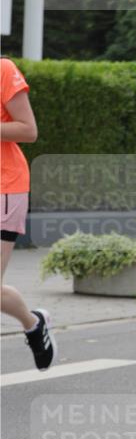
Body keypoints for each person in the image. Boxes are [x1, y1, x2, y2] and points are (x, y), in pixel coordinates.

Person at [0, 57, 56, 370]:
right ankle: (33, 322)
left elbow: (28, 129)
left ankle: (33, 324)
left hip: (4, 186)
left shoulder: (4, 70)